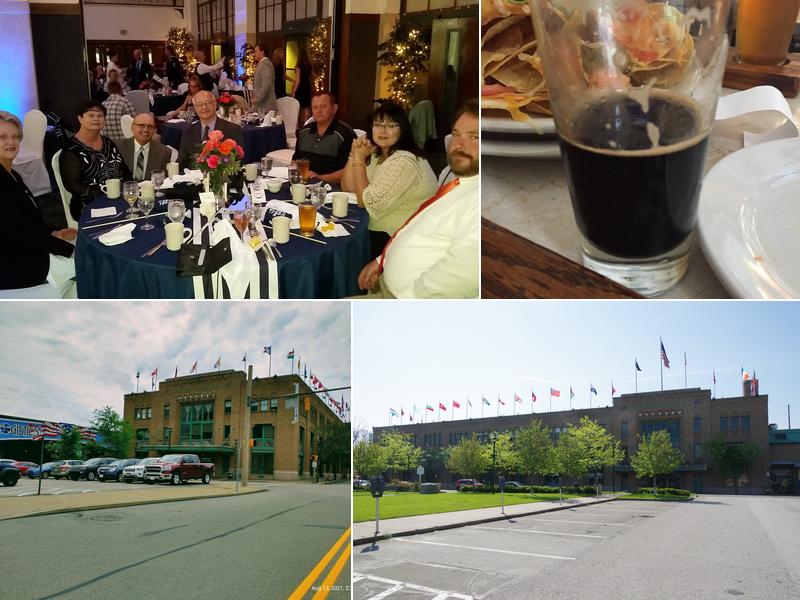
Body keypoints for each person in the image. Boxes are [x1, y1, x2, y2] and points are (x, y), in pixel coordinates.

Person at [356, 99, 479, 298]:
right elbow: (418, 225)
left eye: (474, 136)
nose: (458, 144)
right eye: (456, 134)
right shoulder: (461, 185)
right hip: (388, 279)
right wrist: (382, 260)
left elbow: (453, 281)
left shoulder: (477, 204)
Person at [341, 101, 436, 259]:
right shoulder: (377, 153)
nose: (383, 130)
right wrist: (354, 153)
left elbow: (366, 201)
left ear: (402, 129)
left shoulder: (405, 162)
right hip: (372, 228)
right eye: (378, 124)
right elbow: (348, 188)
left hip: (398, 240)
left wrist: (358, 158)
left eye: (391, 126)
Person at [0, 111, 75, 291]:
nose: (11, 143)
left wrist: (54, 232)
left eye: (16, 137)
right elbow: (19, 234)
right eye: (2, 137)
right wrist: (68, 250)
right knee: (89, 266)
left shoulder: (12, 174)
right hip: (13, 266)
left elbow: (28, 220)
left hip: (26, 249)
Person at [60, 100, 130, 221]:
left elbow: (124, 170)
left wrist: (131, 188)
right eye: (91, 115)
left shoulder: (108, 143)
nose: (96, 119)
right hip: (88, 204)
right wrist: (105, 195)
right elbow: (72, 185)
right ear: (80, 118)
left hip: (118, 198)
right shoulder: (71, 149)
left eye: (100, 116)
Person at [292, 91, 356, 184]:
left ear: (334, 109)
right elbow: (295, 159)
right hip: (304, 184)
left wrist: (320, 177)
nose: (318, 111)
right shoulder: (304, 132)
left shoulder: (345, 134)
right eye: (315, 107)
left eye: (323, 106)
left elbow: (349, 170)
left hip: (333, 188)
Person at [177, 90, 244, 171]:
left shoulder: (233, 129)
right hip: (194, 179)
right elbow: (181, 163)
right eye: (199, 104)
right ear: (195, 108)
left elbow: (238, 162)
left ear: (215, 104)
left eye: (208, 103)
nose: (204, 107)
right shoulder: (188, 132)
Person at [115, 113, 172, 181]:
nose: (146, 130)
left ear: (154, 130)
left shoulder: (164, 152)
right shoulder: (118, 148)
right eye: (141, 125)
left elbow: (163, 182)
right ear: (132, 128)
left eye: (150, 126)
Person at [251, 44, 277, 114]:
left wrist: (257, 98)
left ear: (262, 52)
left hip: (266, 106)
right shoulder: (261, 64)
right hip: (262, 106)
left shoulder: (266, 64)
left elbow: (266, 84)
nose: (254, 54)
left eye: (256, 51)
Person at [292, 48, 313, 125]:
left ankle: (296, 126)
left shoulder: (299, 65)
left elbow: (298, 79)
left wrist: (294, 91)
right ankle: (306, 124)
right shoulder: (309, 65)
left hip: (300, 87)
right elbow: (311, 77)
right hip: (307, 86)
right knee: (306, 107)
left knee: (297, 108)